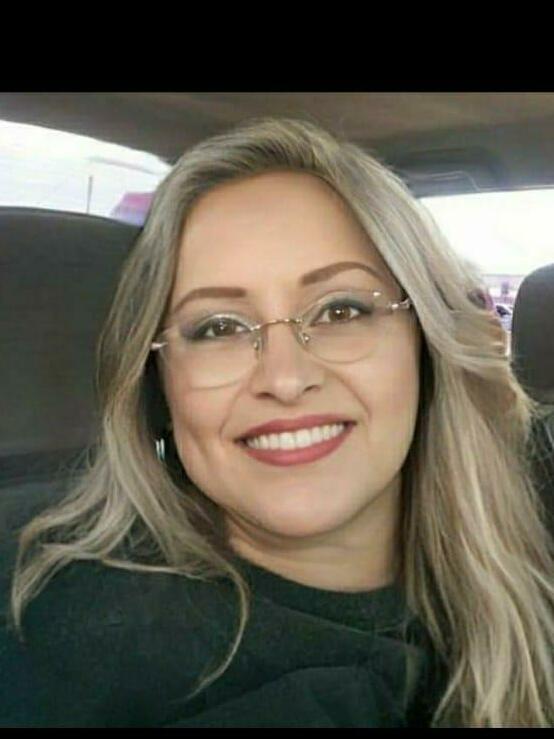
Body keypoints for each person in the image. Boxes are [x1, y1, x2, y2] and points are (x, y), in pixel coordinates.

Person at [1, 118, 553, 728]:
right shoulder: (57, 642)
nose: (285, 379)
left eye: (341, 310)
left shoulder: (532, 532)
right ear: (157, 388)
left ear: (427, 344)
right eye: (218, 328)